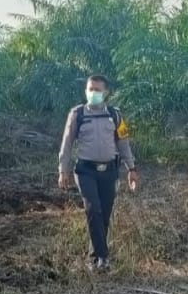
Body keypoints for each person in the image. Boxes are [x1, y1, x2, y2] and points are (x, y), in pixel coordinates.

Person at [57, 74, 138, 270]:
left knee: (105, 213)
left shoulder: (115, 114)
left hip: (109, 171)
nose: (93, 93)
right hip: (86, 171)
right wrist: (63, 170)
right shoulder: (77, 114)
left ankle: (95, 256)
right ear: (86, 91)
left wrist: (131, 168)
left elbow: (123, 142)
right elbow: (67, 144)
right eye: (90, 89)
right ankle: (103, 258)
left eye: (97, 90)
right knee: (93, 209)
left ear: (106, 93)